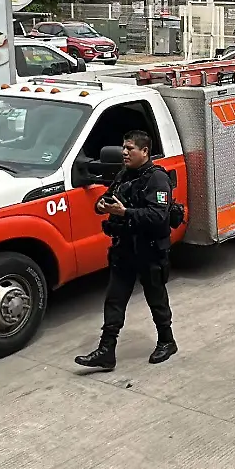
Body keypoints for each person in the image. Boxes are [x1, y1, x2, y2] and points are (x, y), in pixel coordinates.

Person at [74, 130, 177, 370]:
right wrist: (101, 205)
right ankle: (106, 351)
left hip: (150, 251)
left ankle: (167, 341)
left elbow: (159, 216)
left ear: (145, 152)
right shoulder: (124, 174)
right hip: (125, 250)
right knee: (114, 300)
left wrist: (125, 213)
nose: (124, 152)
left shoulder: (157, 179)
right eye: (123, 147)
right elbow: (108, 199)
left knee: (156, 298)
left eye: (130, 148)